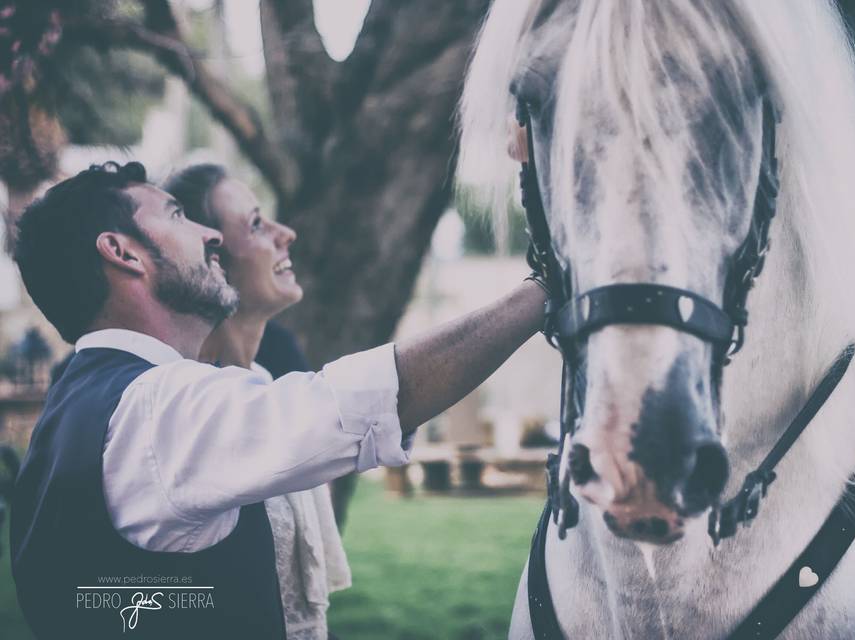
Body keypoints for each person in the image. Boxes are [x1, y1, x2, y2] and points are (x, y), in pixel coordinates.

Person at [9, 161, 547, 639]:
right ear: (122, 252)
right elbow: (355, 405)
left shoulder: (86, 401)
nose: (209, 236)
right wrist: (543, 292)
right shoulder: (155, 407)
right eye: (177, 216)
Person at [164, 163, 347, 639]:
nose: (286, 234)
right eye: (256, 224)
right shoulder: (192, 410)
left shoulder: (274, 376)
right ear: (212, 259)